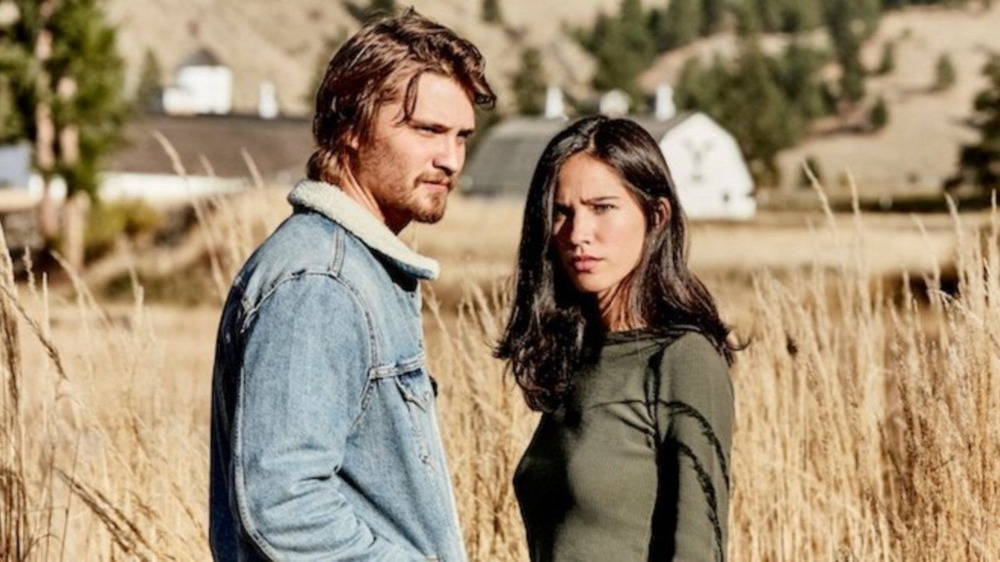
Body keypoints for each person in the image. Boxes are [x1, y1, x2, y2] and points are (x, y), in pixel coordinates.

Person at [208, 9, 495, 561]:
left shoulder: (351, 268)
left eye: (462, 137)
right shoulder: (321, 280)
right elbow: (286, 508)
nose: (451, 160)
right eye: (427, 131)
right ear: (350, 128)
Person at [496, 115, 738, 561]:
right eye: (561, 212)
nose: (577, 235)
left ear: (656, 216)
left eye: (602, 207)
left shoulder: (682, 359)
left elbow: (697, 548)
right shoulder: (578, 355)